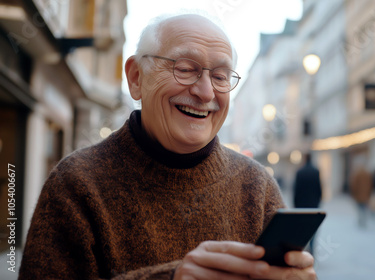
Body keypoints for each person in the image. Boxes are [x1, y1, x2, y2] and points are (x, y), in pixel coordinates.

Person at [19, 14, 316, 279]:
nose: (205, 92)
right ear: (136, 78)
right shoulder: (75, 183)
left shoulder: (257, 185)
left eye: (220, 77)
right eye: (185, 69)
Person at [293, 153, 322, 255]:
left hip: (301, 206)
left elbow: (296, 190)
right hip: (313, 205)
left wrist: (295, 205)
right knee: (313, 228)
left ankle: (303, 250)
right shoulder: (316, 171)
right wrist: (319, 201)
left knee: (302, 229)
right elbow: (319, 188)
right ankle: (312, 251)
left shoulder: (299, 172)